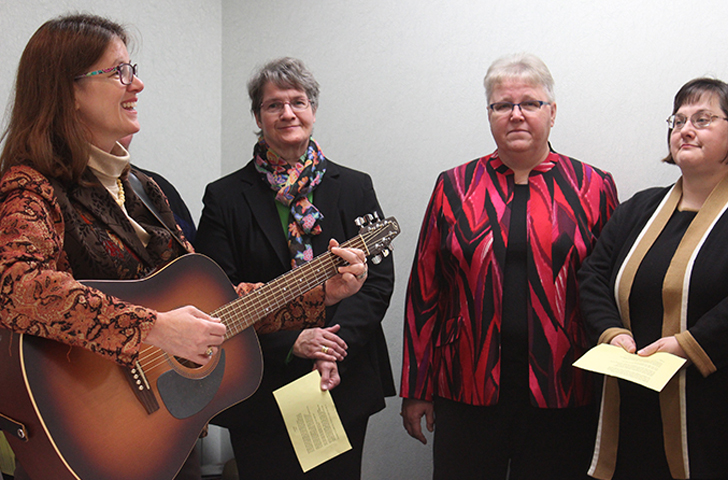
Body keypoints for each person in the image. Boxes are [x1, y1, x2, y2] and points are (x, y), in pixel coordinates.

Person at [0, 15, 368, 480]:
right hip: (83, 441)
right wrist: (153, 328)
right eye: (119, 72)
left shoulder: (144, 190)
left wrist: (321, 293)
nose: (137, 84)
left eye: (131, 69)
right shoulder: (30, 187)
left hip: (162, 436)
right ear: (68, 88)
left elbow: (209, 308)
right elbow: (18, 288)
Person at [400, 53, 618, 479]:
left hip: (564, 388)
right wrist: (416, 387)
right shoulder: (455, 186)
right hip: (467, 386)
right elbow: (425, 292)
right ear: (490, 114)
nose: (516, 115)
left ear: (552, 113)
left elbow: (611, 286)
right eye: (503, 105)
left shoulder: (592, 186)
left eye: (530, 103)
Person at [195, 57, 395, 479]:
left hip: (341, 377)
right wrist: (292, 340)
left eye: (298, 102)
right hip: (260, 381)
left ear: (313, 110)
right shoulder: (225, 196)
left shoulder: (355, 186)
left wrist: (332, 346)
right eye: (273, 105)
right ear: (257, 116)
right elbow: (216, 294)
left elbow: (376, 280)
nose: (288, 113)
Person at [578, 78, 728, 480]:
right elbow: (593, 275)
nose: (684, 129)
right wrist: (611, 332)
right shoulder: (639, 207)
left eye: (702, 119)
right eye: (678, 119)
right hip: (630, 408)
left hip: (717, 411)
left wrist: (687, 345)